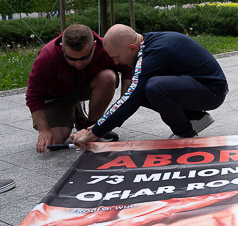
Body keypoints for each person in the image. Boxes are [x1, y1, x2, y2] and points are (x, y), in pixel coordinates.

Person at [72, 24, 229, 146]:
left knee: (153, 87)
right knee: (144, 89)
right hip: (200, 87)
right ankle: (194, 117)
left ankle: (184, 133)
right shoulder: (147, 45)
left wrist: (96, 131)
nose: (115, 62)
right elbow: (134, 94)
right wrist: (98, 127)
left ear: (132, 48)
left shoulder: (154, 52)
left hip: (212, 91)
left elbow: (130, 97)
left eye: (117, 57)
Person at [26, 24, 131, 153]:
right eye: (71, 58)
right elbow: (33, 95)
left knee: (108, 77)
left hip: (87, 86)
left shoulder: (106, 49)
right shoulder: (48, 56)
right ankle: (75, 111)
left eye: (85, 57)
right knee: (55, 140)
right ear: (61, 48)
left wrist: (124, 105)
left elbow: (128, 71)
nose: (79, 64)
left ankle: (90, 126)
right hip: (57, 95)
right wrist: (44, 130)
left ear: (95, 45)